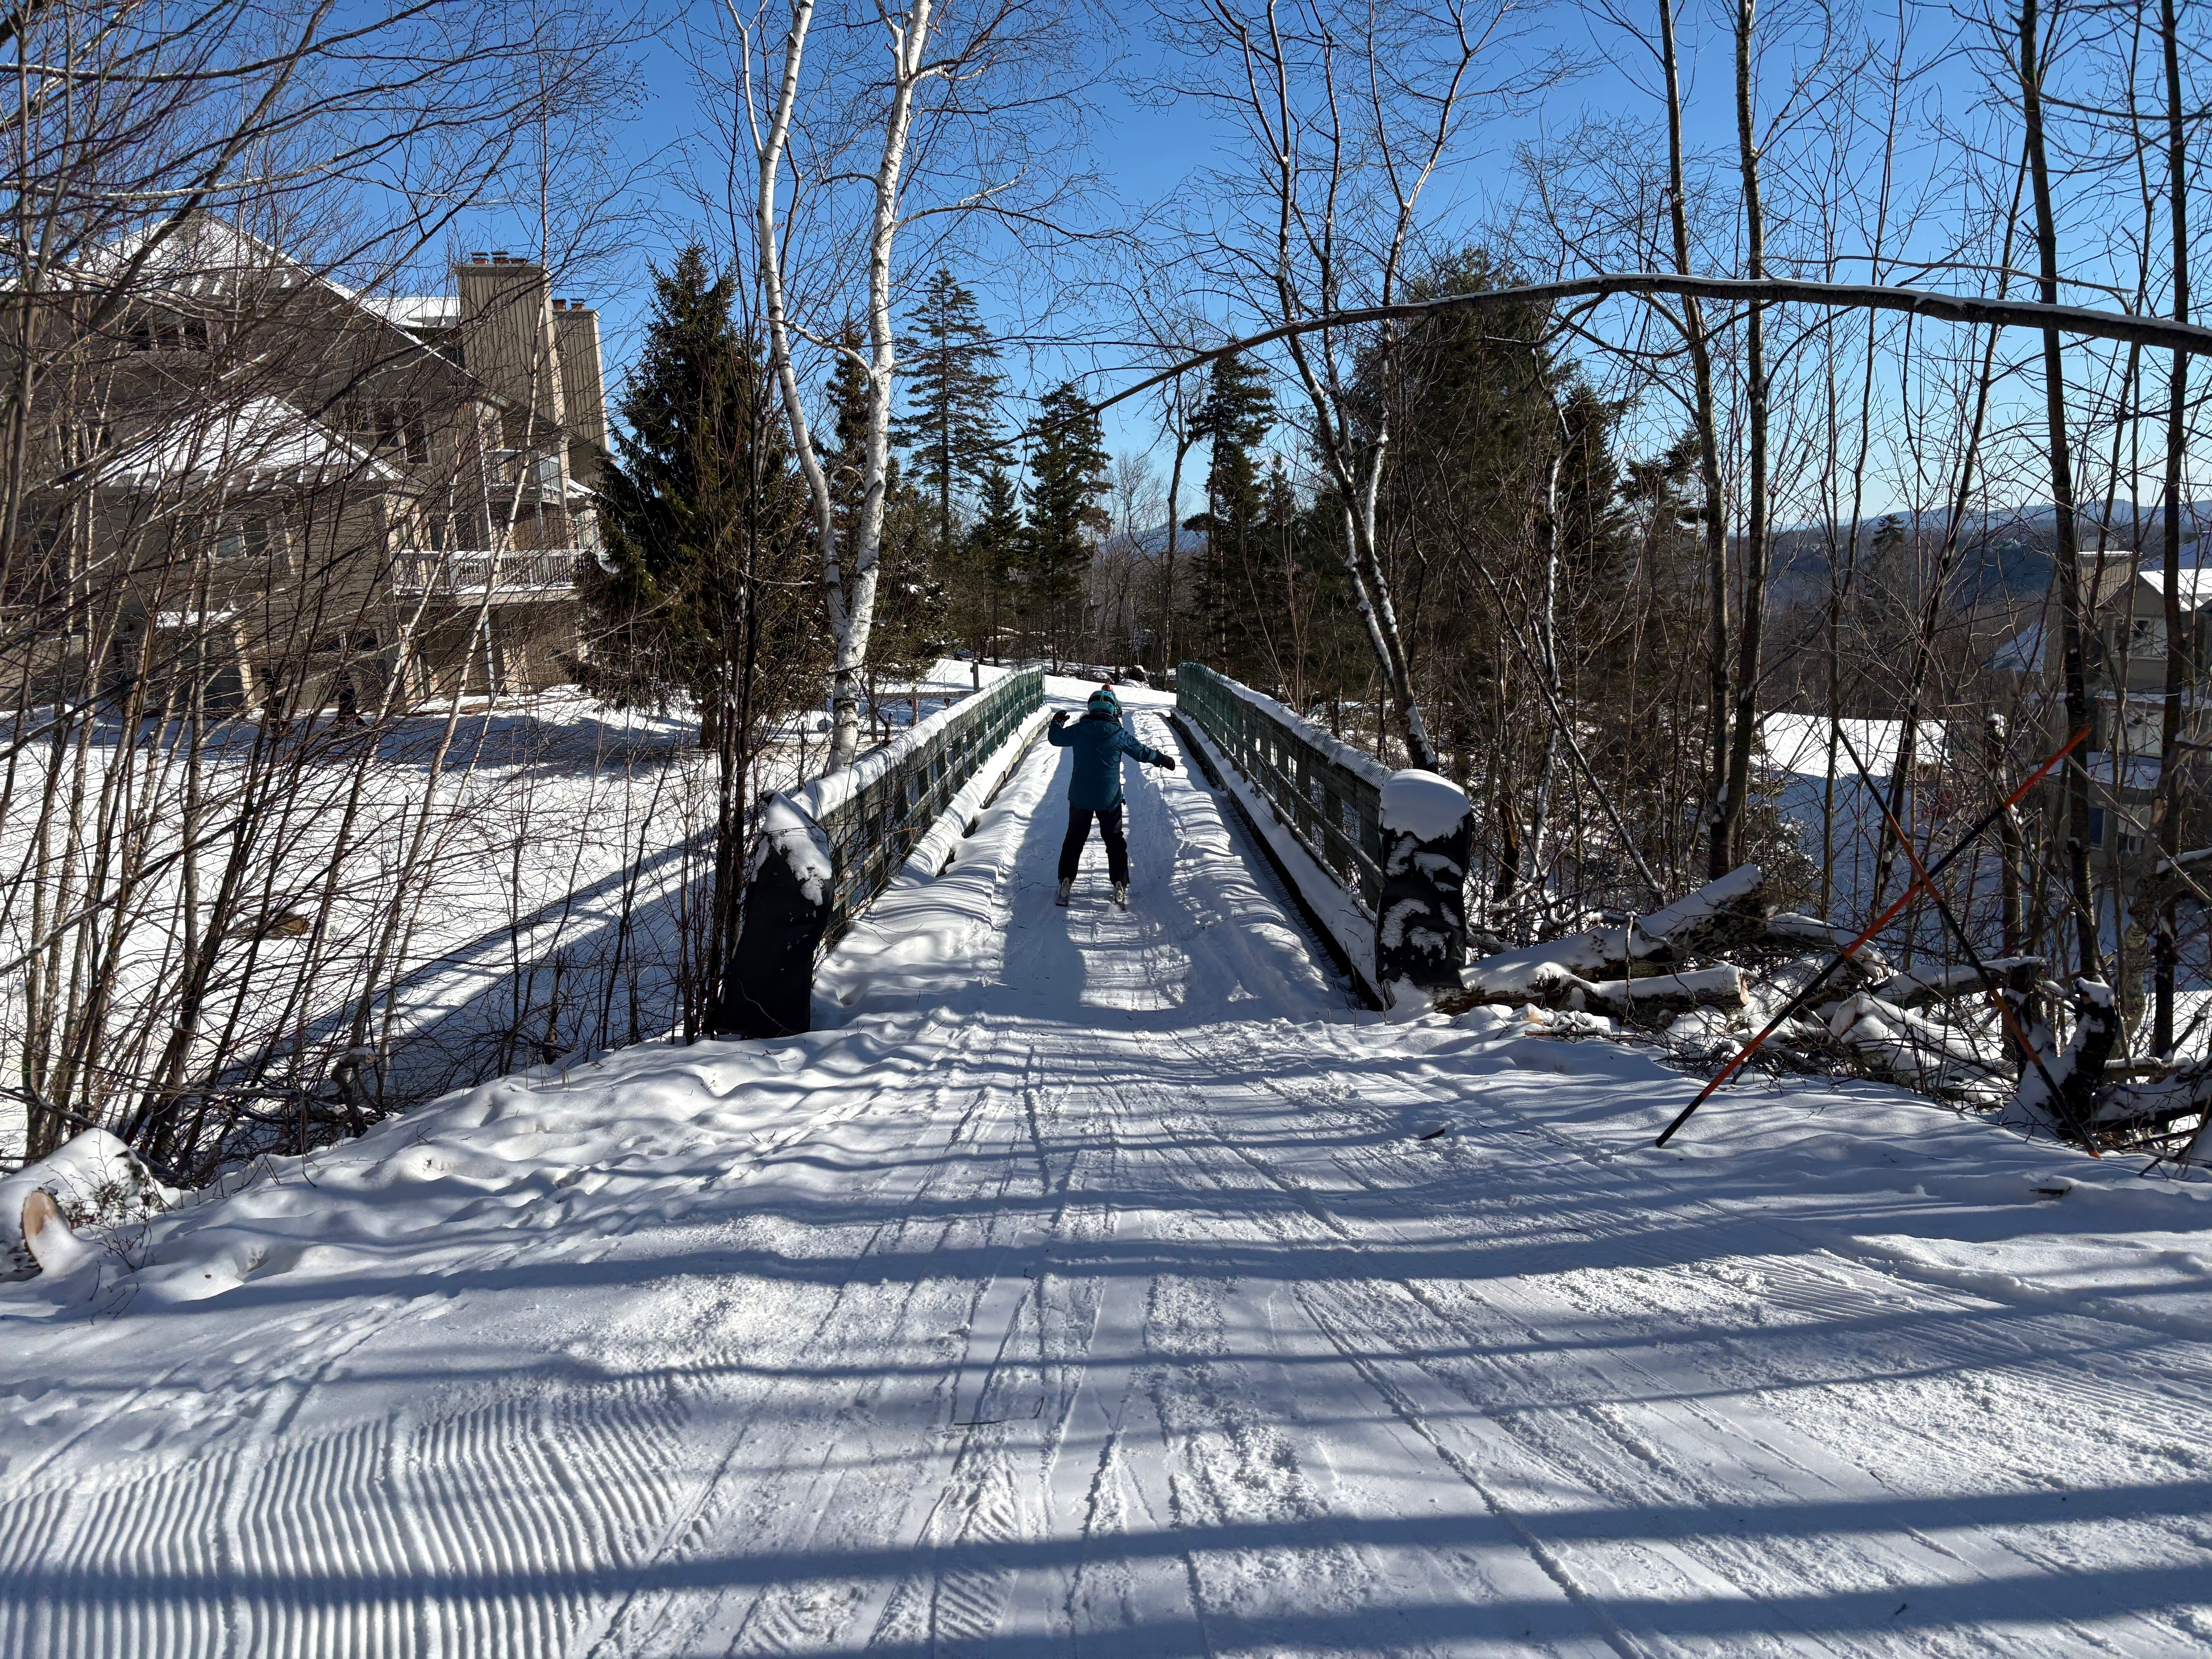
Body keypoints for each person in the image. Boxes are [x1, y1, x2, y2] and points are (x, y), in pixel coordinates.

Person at [1048, 682, 1175, 909]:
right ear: (1113, 711)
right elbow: (1141, 752)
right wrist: (1162, 759)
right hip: (1109, 799)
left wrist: (1057, 722)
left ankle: (1066, 881)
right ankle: (1119, 883)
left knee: (1075, 838)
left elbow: (1056, 739)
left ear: (1091, 709)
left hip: (1080, 798)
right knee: (1114, 841)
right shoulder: (1119, 734)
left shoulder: (1078, 731)